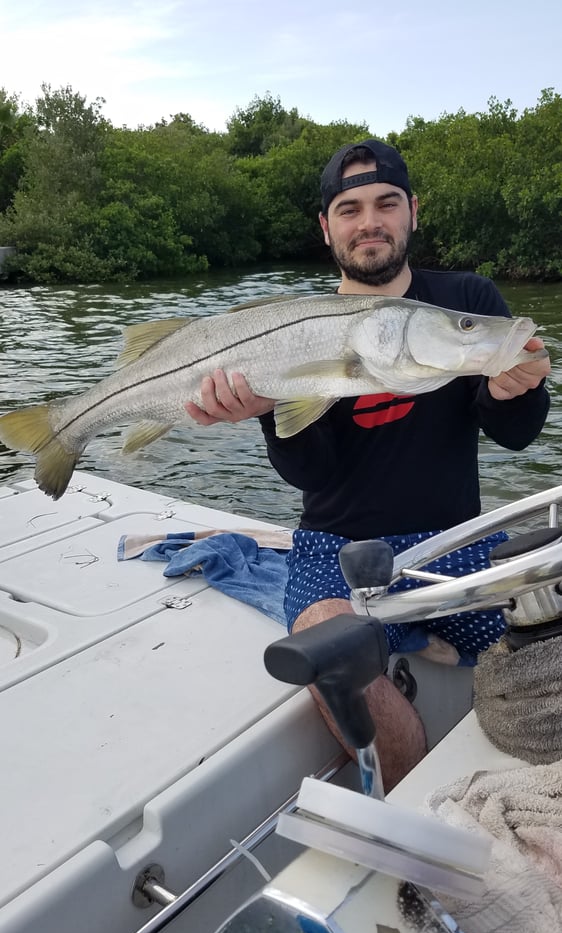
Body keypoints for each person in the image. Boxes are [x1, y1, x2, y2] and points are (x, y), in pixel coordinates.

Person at [185, 139, 551, 790]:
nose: (369, 222)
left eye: (386, 203)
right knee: (327, 652)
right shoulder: (295, 330)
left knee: (546, 646)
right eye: (349, 209)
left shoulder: (463, 300)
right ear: (327, 228)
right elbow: (313, 477)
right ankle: (415, 812)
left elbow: (518, 437)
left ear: (412, 211)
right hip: (336, 544)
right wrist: (268, 408)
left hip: (455, 541)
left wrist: (509, 389)